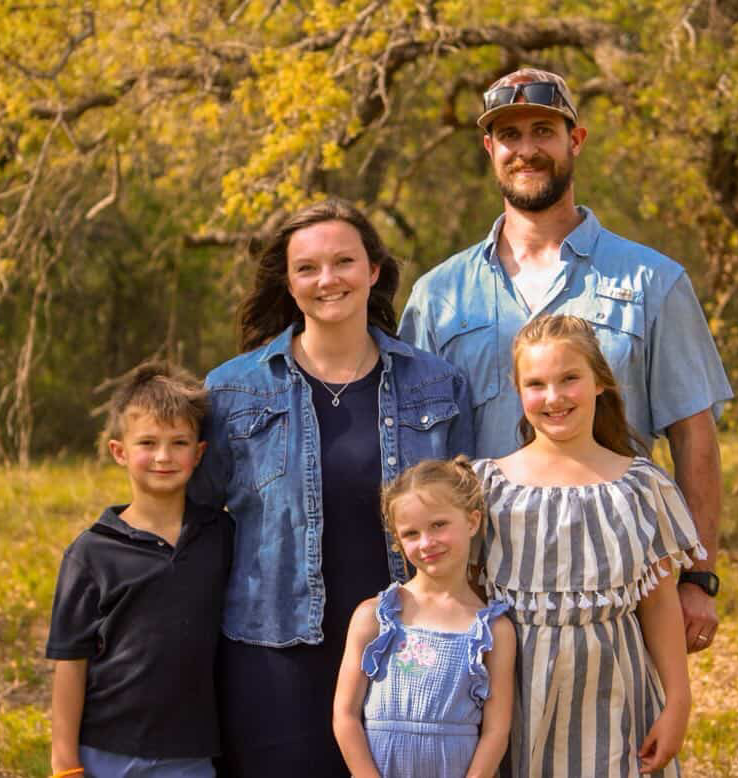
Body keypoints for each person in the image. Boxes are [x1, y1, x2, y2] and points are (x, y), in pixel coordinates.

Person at [398, 68, 732, 654]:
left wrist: (698, 576)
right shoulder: (439, 295)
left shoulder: (652, 281)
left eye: (543, 131)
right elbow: (408, 449)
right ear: (489, 149)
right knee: (485, 748)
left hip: (617, 592)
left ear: (574, 141)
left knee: (614, 744)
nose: (526, 149)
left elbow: (694, 435)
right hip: (475, 590)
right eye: (509, 135)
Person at [188, 199, 475, 777]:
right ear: (288, 283)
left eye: (344, 261)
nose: (328, 279)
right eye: (307, 268)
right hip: (272, 654)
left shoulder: (438, 385)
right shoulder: (231, 391)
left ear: (373, 271)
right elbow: (195, 519)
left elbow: (470, 511)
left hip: (409, 650)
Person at [474, 315, 704, 777]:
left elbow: (657, 603)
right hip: (514, 698)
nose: (554, 397)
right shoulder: (487, 488)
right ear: (518, 392)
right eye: (535, 384)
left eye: (569, 379)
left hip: (615, 698)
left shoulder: (639, 485)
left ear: (599, 381)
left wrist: (677, 700)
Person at [46, 362, 233, 778]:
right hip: (106, 750)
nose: (164, 457)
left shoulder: (221, 536)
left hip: (191, 753)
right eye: (148, 442)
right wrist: (64, 763)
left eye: (179, 442)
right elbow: (70, 664)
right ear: (120, 451)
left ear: (199, 452)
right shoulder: (91, 552)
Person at [332, 457, 515, 778]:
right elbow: (345, 716)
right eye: (411, 533)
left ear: (472, 522)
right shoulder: (374, 616)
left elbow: (496, 731)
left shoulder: (494, 629)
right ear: (397, 541)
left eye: (439, 525)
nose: (427, 543)